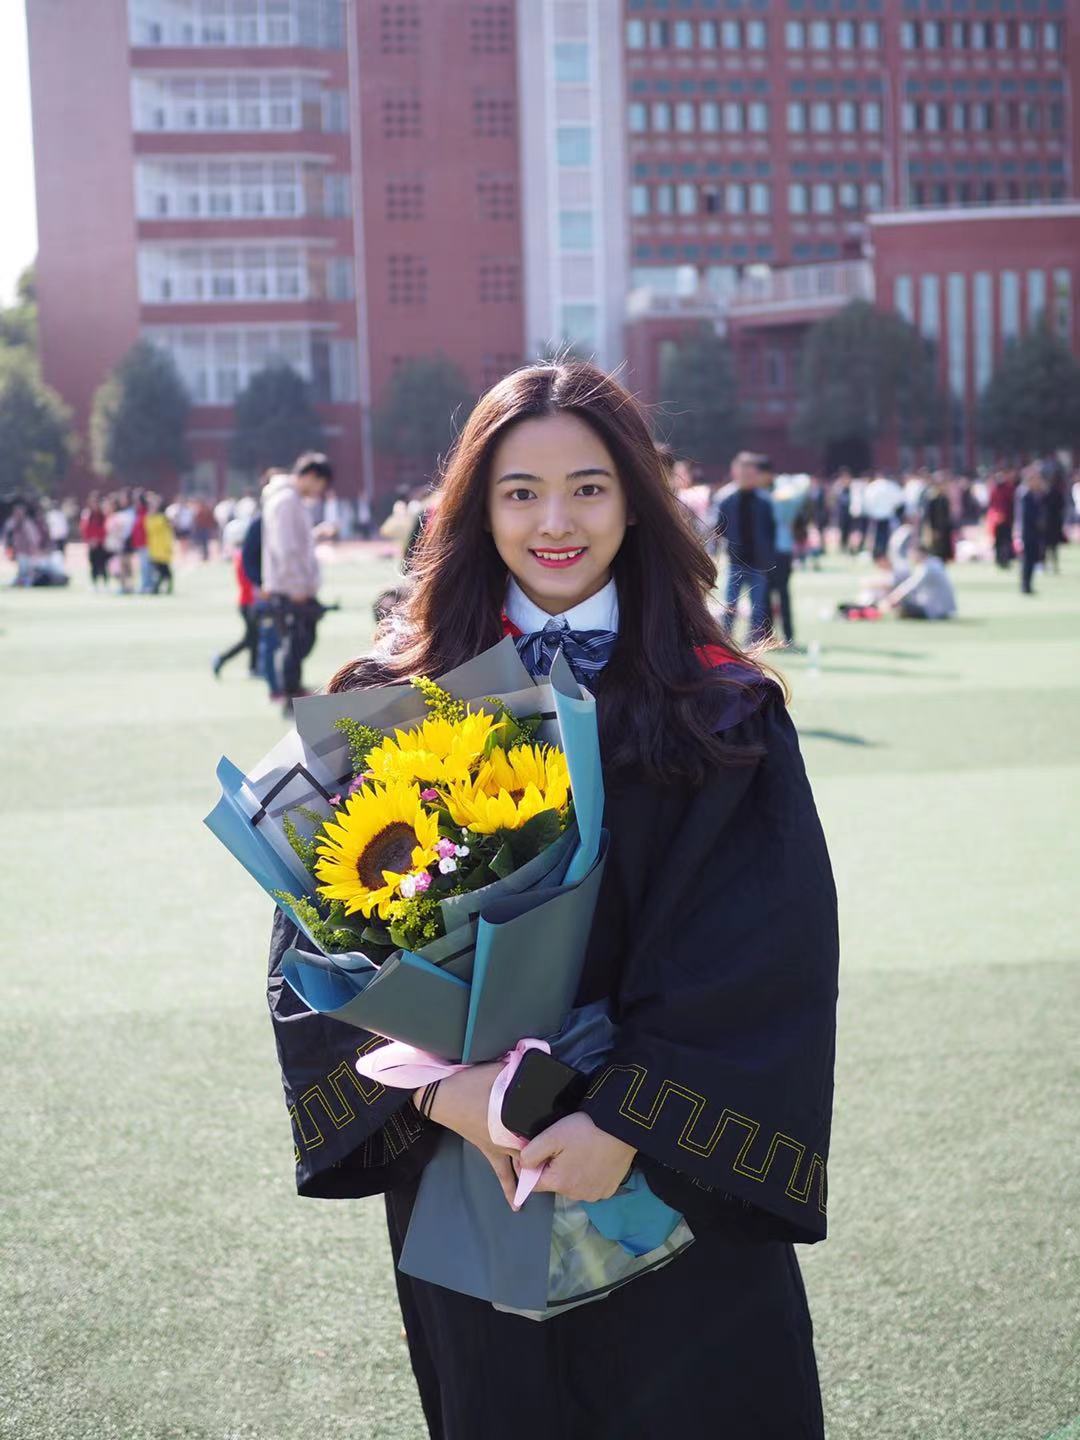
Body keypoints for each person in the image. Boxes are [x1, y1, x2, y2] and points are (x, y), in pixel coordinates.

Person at [265, 361, 839, 1438]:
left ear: (637, 501)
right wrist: (441, 1094)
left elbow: (771, 948)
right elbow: (313, 949)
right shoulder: (392, 700)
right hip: (470, 1167)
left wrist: (627, 1120)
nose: (555, 522)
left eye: (589, 488)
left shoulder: (720, 708)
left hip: (667, 1178)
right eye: (520, 492)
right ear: (477, 510)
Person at [261, 452, 332, 714]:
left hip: (293, 584)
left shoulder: (290, 500)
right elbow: (286, 548)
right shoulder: (285, 501)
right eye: (321, 484)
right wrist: (297, 588)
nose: (319, 491)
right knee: (295, 642)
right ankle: (290, 694)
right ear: (311, 476)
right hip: (290, 588)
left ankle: (293, 690)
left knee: (300, 640)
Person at [714, 451, 777, 642]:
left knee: (758, 609)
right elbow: (719, 530)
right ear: (735, 472)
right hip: (735, 561)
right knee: (729, 605)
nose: (747, 477)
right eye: (743, 472)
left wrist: (768, 557)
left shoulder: (765, 501)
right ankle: (725, 643)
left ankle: (754, 645)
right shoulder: (726, 499)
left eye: (751, 473)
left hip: (758, 563)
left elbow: (771, 531)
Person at [763, 472, 810, 647]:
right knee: (782, 594)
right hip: (783, 551)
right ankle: (787, 636)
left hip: (773, 551)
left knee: (768, 594)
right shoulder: (790, 499)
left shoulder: (770, 499)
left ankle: (768, 636)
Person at [213, 523, 260, 678]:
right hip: (249, 602)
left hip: (247, 601)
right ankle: (222, 659)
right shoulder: (244, 555)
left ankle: (253, 668)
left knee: (253, 637)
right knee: (251, 638)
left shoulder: (241, 554)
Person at [878, 542, 957, 620]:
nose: (910, 557)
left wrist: (889, 601)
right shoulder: (934, 562)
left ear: (919, 553)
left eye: (912, 554)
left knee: (902, 606)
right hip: (943, 609)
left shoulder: (927, 568)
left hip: (934, 611)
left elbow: (908, 587)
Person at [1014, 464, 1046, 596]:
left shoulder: (1032, 493)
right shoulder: (1025, 494)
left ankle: (1027, 585)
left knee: (1031, 559)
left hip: (1032, 532)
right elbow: (1026, 515)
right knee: (1027, 560)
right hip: (1027, 532)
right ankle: (1025, 585)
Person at [986, 470, 1017, 569]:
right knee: (999, 542)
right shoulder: (994, 490)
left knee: (1006, 541)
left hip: (1006, 520)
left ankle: (1006, 559)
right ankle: (999, 559)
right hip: (997, 521)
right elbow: (992, 505)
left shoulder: (1008, 489)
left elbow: (1011, 504)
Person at [145, 495, 175, 594]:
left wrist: (169, 545)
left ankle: (160, 587)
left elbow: (170, 530)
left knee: (164, 568)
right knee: (158, 569)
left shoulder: (164, 517)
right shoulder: (148, 517)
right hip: (154, 547)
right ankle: (158, 587)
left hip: (163, 546)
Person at [80, 493, 109, 588]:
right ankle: (94, 584)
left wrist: (99, 539)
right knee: (93, 565)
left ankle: (105, 584)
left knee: (103, 565)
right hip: (91, 544)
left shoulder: (102, 515)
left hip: (101, 544)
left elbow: (104, 529)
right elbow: (84, 529)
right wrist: (90, 541)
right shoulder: (87, 515)